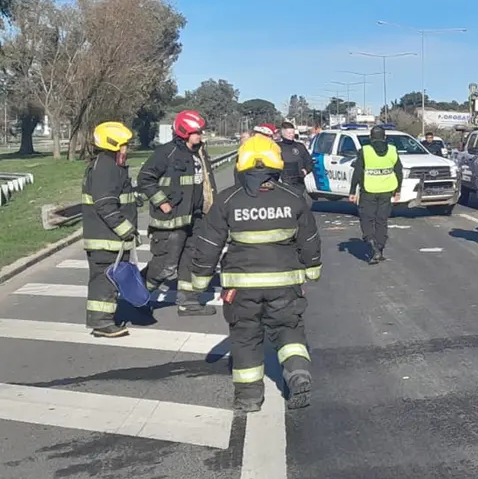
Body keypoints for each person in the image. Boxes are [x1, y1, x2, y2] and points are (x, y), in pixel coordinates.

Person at [189, 135, 321, 413]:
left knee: (246, 338)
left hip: (241, 290)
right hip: (286, 286)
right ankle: (297, 373)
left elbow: (209, 244)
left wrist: (199, 281)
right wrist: (312, 269)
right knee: (289, 331)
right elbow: (309, 239)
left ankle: (249, 397)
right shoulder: (294, 198)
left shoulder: (228, 200)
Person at [137, 110, 218, 316]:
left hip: (195, 218)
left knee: (190, 260)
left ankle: (187, 301)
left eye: (200, 132)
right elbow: (145, 178)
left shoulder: (199, 152)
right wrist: (162, 202)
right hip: (171, 220)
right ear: (184, 132)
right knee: (165, 265)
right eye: (196, 132)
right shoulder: (166, 153)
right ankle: (137, 298)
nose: (200, 135)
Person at [82, 122, 140, 338]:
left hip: (109, 237)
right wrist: (125, 230)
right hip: (105, 238)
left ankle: (104, 320)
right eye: (125, 145)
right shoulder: (105, 167)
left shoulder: (110, 165)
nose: (127, 149)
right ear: (114, 145)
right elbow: (105, 204)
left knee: (108, 280)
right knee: (103, 280)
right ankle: (101, 323)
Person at [349, 125, 403, 264]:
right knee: (381, 220)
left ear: (370, 137)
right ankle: (380, 247)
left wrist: (352, 191)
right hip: (387, 190)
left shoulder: (365, 151)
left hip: (369, 191)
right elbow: (399, 171)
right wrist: (398, 190)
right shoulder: (392, 150)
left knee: (367, 219)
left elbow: (358, 172)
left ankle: (372, 243)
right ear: (385, 137)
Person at [277, 121, 314, 195]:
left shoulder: (300, 146)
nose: (292, 135)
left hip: (299, 182)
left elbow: (309, 161)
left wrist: (306, 170)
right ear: (283, 133)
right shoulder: (276, 147)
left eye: (293, 132)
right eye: (289, 133)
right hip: (283, 183)